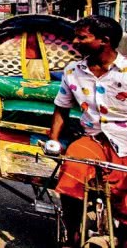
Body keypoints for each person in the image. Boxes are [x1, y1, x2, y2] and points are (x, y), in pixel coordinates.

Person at [47, 15, 127, 243]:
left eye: (82, 37)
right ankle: (72, 234)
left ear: (104, 40)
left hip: (125, 142)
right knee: (72, 168)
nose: (74, 42)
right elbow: (61, 107)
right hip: (93, 140)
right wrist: (53, 141)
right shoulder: (73, 71)